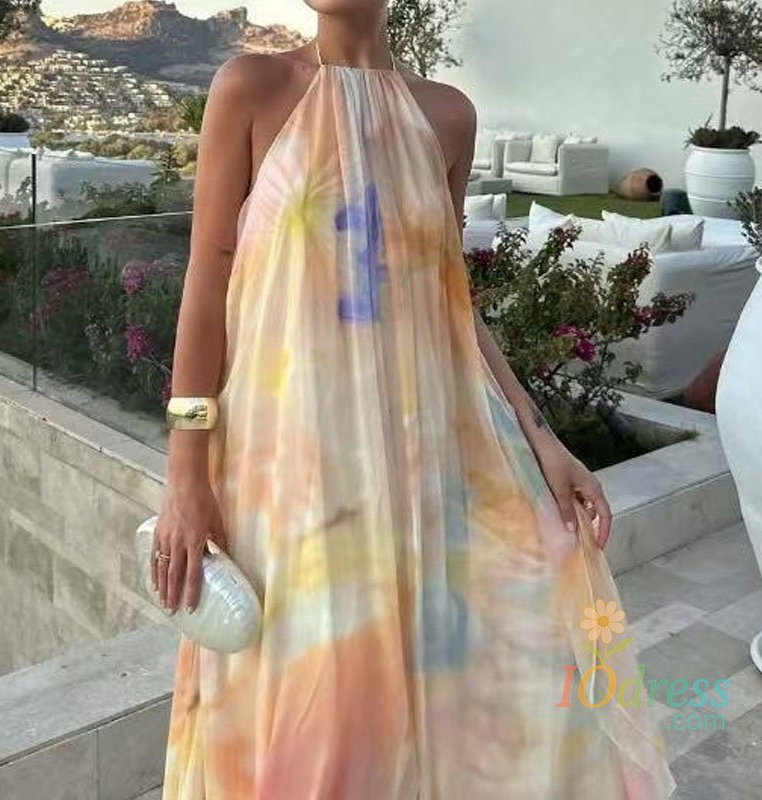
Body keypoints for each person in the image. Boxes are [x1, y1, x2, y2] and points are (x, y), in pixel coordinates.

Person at [154, 1, 675, 797]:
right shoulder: (250, 89)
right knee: (309, 717)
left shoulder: (447, 116)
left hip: (419, 466)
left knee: (463, 690)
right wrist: (185, 474)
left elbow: (450, 302)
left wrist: (542, 439)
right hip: (285, 478)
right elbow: (205, 284)